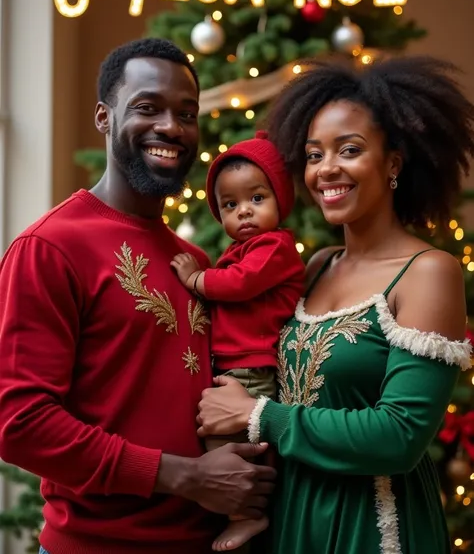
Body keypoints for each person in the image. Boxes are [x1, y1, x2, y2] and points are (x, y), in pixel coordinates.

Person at [0, 38, 276, 554]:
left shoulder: (196, 261)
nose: (171, 127)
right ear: (104, 118)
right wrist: (184, 477)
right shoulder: (49, 247)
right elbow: (21, 425)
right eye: (147, 108)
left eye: (187, 113)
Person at [196, 56, 474, 554]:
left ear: (393, 162)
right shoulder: (317, 266)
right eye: (313, 154)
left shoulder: (430, 272)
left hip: (371, 524)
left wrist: (258, 414)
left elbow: (399, 437)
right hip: (293, 515)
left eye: (349, 150)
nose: (327, 169)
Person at [171, 132, 305, 551]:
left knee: (228, 447)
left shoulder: (275, 247)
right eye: (230, 205)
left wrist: (196, 280)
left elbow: (240, 285)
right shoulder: (240, 248)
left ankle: (247, 515)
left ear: (280, 200)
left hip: (252, 365)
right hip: (231, 364)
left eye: (257, 198)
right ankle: (244, 513)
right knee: (220, 442)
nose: (243, 211)